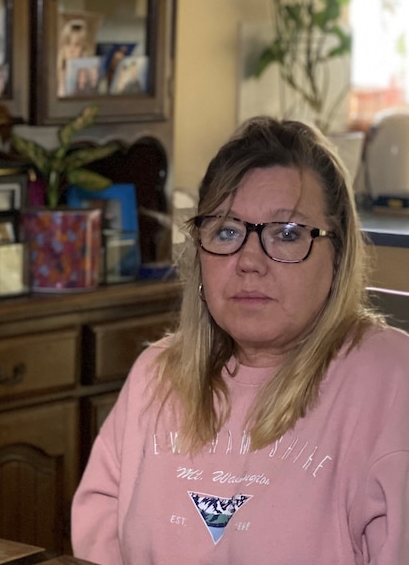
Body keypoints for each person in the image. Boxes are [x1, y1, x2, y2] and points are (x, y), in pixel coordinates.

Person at [72, 116, 409, 564]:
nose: (249, 260)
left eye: (287, 234)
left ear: (339, 254)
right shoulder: (155, 374)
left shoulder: (392, 382)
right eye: (226, 232)